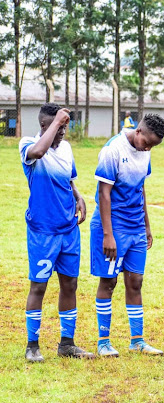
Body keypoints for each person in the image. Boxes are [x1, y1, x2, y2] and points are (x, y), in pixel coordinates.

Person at [20, 103, 93, 361]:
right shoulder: (28, 144)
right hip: (43, 231)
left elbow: (68, 177)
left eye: (65, 127)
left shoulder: (66, 148)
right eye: (60, 127)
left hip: (68, 229)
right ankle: (32, 345)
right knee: (38, 286)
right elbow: (39, 152)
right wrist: (56, 122)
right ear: (45, 125)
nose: (63, 132)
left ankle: (67, 344)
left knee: (70, 284)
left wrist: (78, 195)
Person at [92, 113, 164, 357]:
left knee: (135, 281)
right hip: (112, 227)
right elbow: (104, 193)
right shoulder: (113, 150)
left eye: (152, 146)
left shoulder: (145, 150)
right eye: (147, 143)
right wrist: (108, 235)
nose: (147, 148)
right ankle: (104, 341)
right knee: (109, 281)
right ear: (138, 132)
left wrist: (146, 225)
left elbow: (141, 188)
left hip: (135, 227)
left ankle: (137, 340)